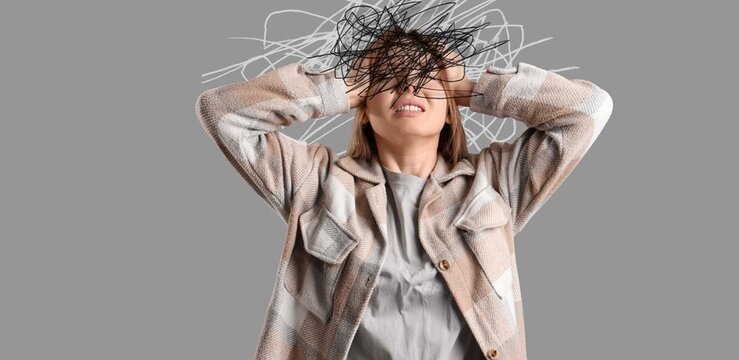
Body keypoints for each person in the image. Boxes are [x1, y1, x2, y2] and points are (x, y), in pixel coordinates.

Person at [195, 28, 613, 360]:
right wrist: (341, 89)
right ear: (363, 106)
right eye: (390, 79)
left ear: (450, 111)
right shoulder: (314, 181)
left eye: (426, 79)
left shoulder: (495, 183)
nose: (409, 87)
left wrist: (469, 88)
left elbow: (588, 109)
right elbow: (222, 113)